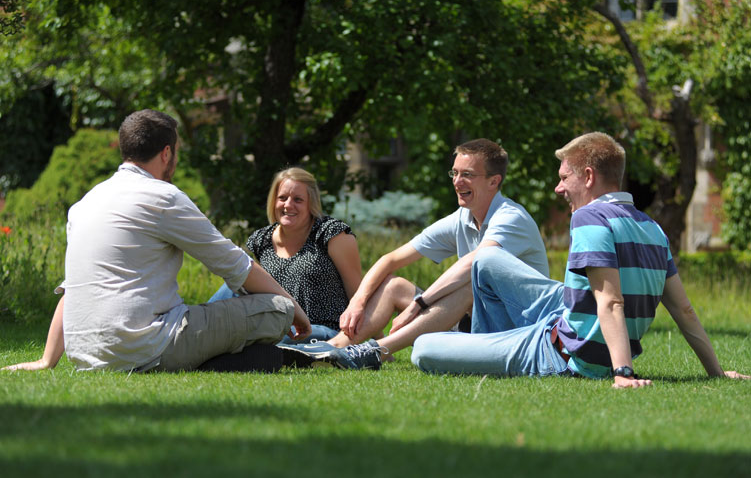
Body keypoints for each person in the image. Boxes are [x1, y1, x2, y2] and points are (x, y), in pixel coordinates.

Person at [411, 132, 749, 388]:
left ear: (588, 177)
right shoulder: (653, 228)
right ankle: (489, 345)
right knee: (486, 260)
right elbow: (684, 310)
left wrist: (623, 373)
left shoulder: (589, 218)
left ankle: (488, 351)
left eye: (563, 177)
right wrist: (716, 373)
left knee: (423, 348)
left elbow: (611, 302)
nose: (558, 189)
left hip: (561, 353)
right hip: (563, 315)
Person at [2, 109, 311, 373]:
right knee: (276, 309)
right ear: (167, 153)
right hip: (143, 346)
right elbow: (235, 265)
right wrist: (294, 307)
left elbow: (76, 286)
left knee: (262, 349)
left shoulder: (85, 203)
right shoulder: (163, 197)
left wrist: (47, 359)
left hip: (87, 356)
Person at [280, 138, 549, 369]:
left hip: (518, 330)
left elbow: (472, 264)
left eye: (467, 174)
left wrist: (418, 305)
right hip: (477, 322)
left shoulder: (511, 218)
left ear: (494, 182)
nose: (457, 181)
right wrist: (357, 302)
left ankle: (375, 351)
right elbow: (391, 260)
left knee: (472, 280)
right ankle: (332, 348)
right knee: (395, 285)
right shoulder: (462, 218)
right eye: (454, 173)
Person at [207, 167, 362, 344]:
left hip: (325, 330)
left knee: (266, 337)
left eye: (298, 200)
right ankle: (196, 329)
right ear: (274, 201)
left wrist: (376, 341)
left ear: (311, 203)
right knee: (236, 284)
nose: (288, 205)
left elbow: (358, 295)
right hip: (277, 324)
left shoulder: (331, 234)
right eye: (282, 198)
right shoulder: (262, 240)